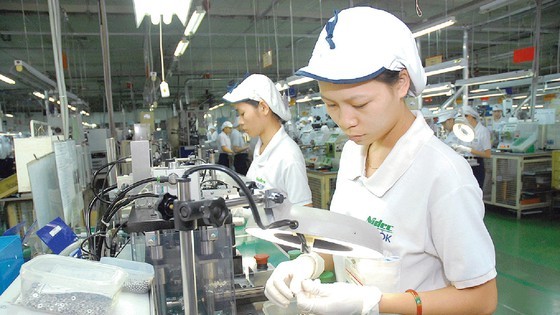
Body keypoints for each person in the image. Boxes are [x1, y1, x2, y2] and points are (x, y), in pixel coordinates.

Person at [264, 7, 497, 315]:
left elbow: (481, 298)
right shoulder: (352, 153)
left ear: (401, 83)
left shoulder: (444, 177)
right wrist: (311, 262)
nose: (346, 121)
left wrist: (375, 303)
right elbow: (344, 239)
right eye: (331, 104)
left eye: (360, 103)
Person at [223, 74, 312, 206]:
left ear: (263, 108)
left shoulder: (288, 156)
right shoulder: (261, 148)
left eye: (242, 114)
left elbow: (305, 213)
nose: (240, 122)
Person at [454, 105, 492, 189]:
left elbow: (488, 154)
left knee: (476, 191)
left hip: (477, 165)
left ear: (471, 116)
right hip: (465, 164)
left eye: (465, 116)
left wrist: (468, 149)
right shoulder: (464, 130)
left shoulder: (483, 131)